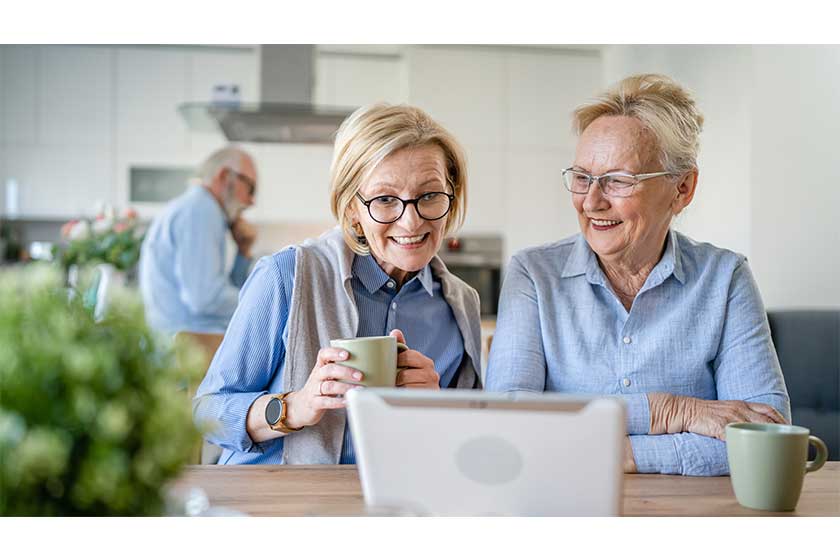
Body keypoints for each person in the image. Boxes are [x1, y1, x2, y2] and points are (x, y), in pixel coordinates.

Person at [485, 74, 790, 476]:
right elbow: (509, 419)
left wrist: (623, 454)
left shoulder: (725, 278)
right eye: (582, 177)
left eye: (617, 181)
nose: (592, 201)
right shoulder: (534, 275)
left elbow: (766, 437)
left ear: (682, 188)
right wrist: (670, 411)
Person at [193, 103, 482, 465]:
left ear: (451, 196)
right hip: (272, 501)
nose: (411, 222)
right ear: (352, 209)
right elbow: (205, 413)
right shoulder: (287, 276)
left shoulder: (460, 305)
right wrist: (295, 407)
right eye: (385, 199)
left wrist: (435, 409)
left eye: (429, 195)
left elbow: (468, 446)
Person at [139, 146, 258, 334]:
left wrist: (243, 252)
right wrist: (262, 302)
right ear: (225, 176)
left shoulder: (200, 209)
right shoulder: (201, 211)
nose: (252, 201)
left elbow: (217, 292)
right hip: (188, 346)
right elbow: (204, 298)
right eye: (250, 188)